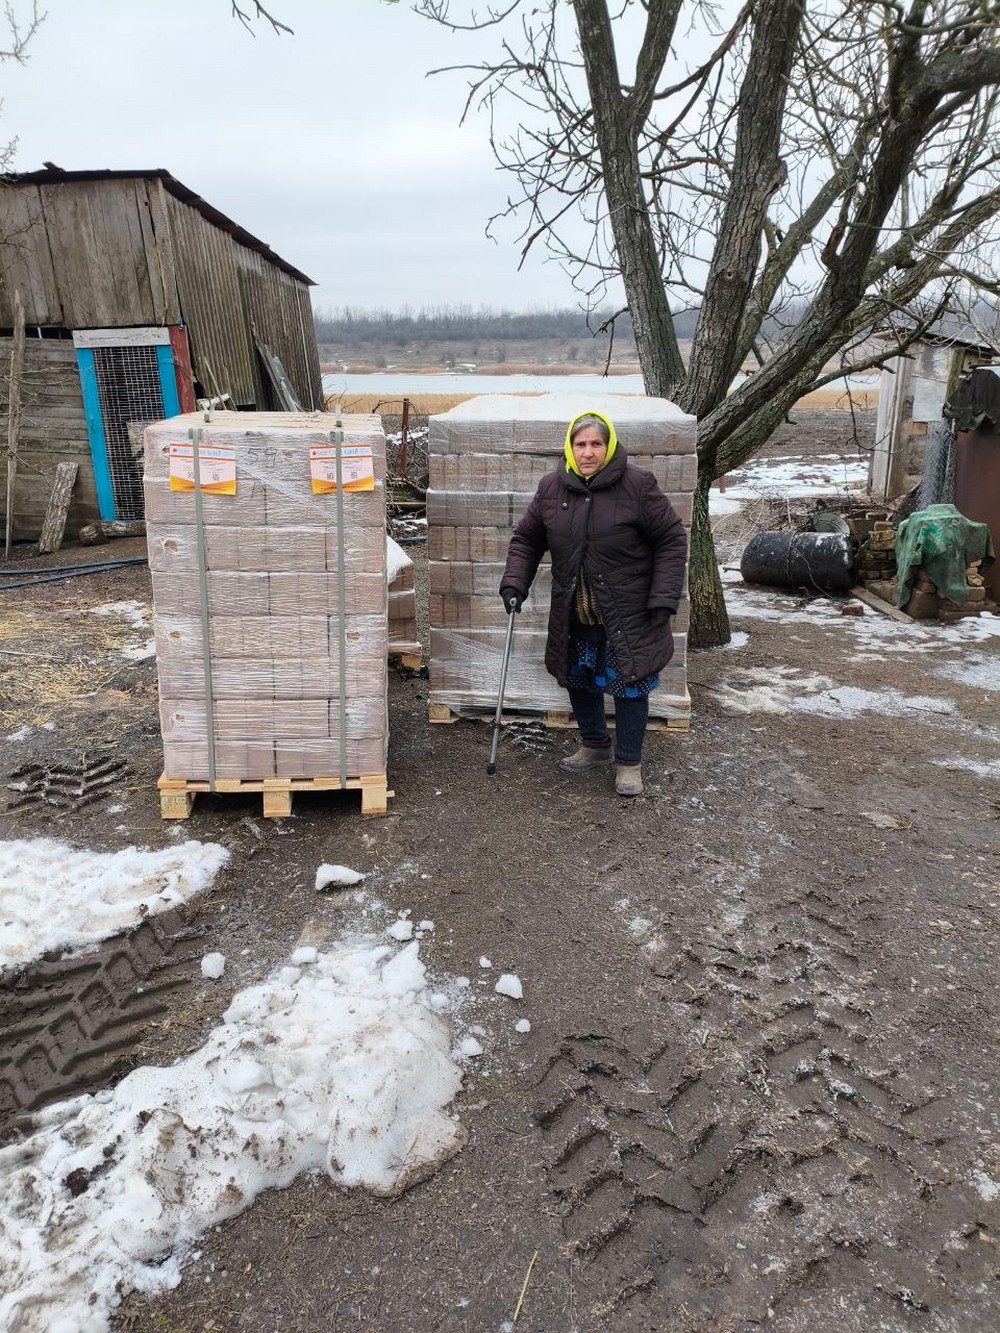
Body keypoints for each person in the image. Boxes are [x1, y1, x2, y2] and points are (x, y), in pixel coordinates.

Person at [499, 409, 688, 797]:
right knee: (578, 679)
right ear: (570, 448)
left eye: (596, 444)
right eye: (580, 444)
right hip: (576, 611)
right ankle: (594, 744)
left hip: (630, 613)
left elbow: (670, 539)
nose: (588, 452)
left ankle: (629, 763)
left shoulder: (637, 486)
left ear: (609, 446)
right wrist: (515, 582)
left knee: (629, 685)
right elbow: (527, 540)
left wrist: (664, 597)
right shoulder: (552, 488)